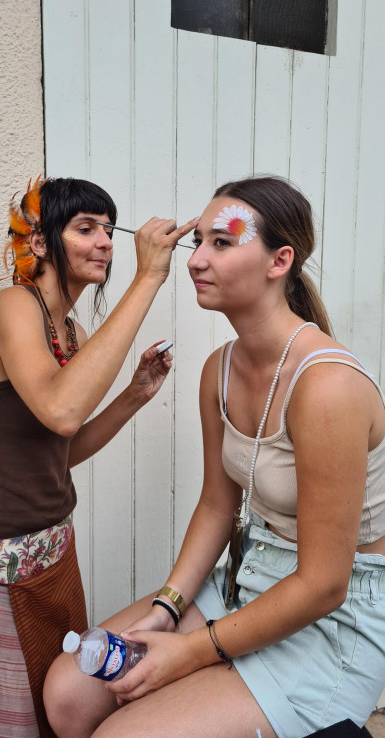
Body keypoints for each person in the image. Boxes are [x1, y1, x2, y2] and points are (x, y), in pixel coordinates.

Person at [43, 176, 385, 738]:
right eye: (196, 241)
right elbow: (215, 507)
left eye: (221, 243)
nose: (196, 259)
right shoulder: (219, 371)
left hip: (332, 619)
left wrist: (189, 653)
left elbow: (326, 583)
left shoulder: (326, 387)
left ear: (280, 261)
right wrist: (168, 610)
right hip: (249, 577)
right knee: (69, 695)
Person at [0, 176, 199, 738]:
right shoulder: (12, 307)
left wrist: (133, 395)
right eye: (86, 228)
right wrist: (151, 276)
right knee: (5, 726)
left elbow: (63, 447)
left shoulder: (71, 332)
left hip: (55, 559)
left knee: (57, 708)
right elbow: (60, 410)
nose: (106, 241)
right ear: (38, 244)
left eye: (108, 228)